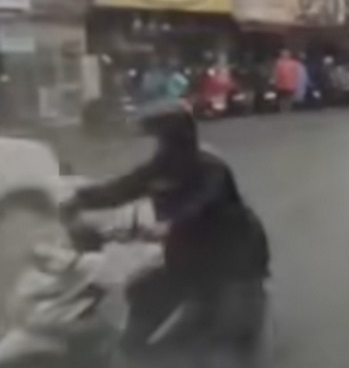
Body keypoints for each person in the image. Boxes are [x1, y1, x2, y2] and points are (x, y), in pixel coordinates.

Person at [61, 100, 270, 352]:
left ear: (175, 137)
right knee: (141, 299)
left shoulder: (211, 168)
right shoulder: (159, 167)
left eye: (159, 139)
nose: (156, 147)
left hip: (235, 259)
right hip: (187, 255)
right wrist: (78, 199)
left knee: (229, 342)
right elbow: (121, 188)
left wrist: (164, 223)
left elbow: (195, 203)